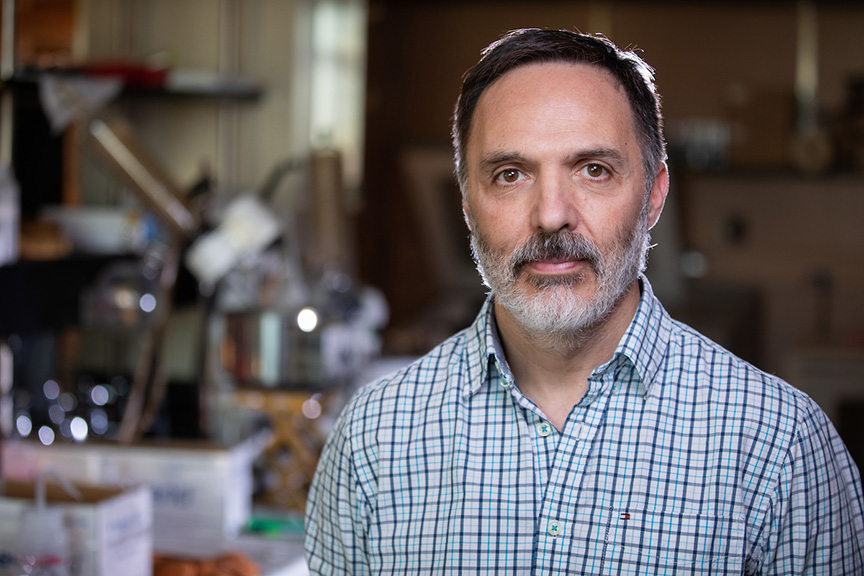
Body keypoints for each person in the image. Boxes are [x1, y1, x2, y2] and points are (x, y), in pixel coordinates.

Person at [304, 28, 864, 574]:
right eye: (510, 174)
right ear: (469, 205)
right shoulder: (373, 436)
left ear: (652, 197)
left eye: (593, 170)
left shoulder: (781, 448)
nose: (551, 214)